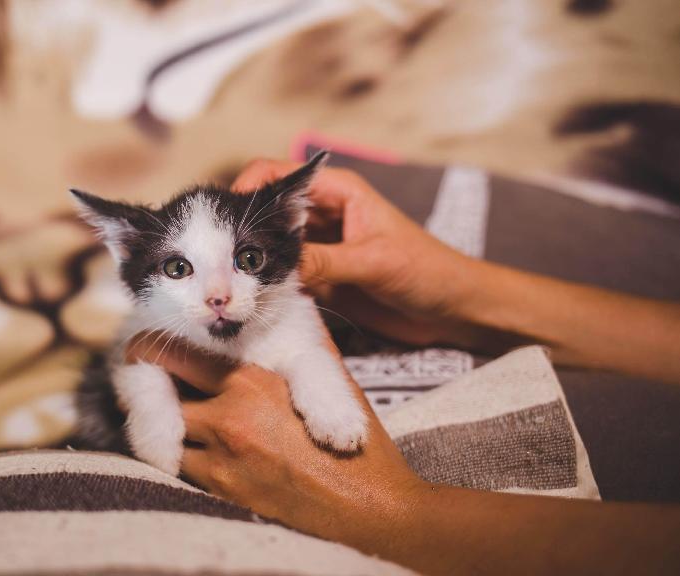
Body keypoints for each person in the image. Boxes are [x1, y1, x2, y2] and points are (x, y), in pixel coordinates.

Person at [127, 159, 680, 575]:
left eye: (248, 260)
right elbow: (134, 363)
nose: (220, 294)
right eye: (179, 267)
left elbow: (304, 358)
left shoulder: (285, 314)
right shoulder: (157, 321)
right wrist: (465, 297)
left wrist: (394, 516)